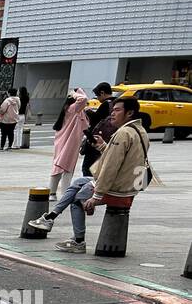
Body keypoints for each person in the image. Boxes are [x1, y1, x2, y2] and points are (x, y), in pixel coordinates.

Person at [29, 96, 150, 254]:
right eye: (112, 110)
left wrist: (96, 196)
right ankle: (50, 217)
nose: (113, 113)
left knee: (77, 200)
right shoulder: (139, 131)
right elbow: (122, 158)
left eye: (118, 110)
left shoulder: (123, 133)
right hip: (128, 184)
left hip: (118, 188)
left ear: (130, 113)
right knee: (80, 181)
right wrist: (102, 147)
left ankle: (78, 241)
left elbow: (110, 167)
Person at [47, 87, 88, 208]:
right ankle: (64, 194)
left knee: (59, 167)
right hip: (69, 143)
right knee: (67, 169)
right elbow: (84, 99)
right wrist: (76, 92)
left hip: (63, 142)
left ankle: (52, 193)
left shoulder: (69, 110)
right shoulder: (73, 109)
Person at [81, 82, 115, 177]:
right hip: (109, 140)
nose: (97, 98)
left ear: (103, 93)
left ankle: (89, 187)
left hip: (98, 139)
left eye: (97, 95)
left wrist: (88, 111)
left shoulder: (105, 104)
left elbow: (96, 120)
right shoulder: (116, 102)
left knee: (88, 168)